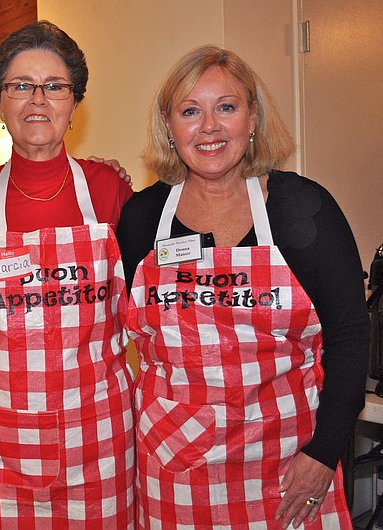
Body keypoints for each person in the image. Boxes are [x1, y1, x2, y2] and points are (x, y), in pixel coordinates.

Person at [117, 45, 368, 529]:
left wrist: (324, 453)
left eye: (226, 108)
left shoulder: (303, 208)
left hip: (290, 467)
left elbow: (351, 339)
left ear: (252, 118)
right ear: (169, 127)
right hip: (174, 468)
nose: (208, 127)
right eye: (190, 111)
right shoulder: (142, 217)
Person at [0, 21, 135, 528]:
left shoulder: (110, 192)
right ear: (0, 101)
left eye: (54, 86)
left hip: (98, 437)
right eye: (20, 85)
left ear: (75, 102)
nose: (38, 99)